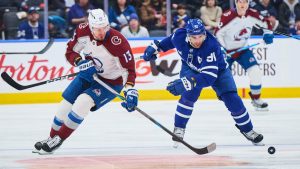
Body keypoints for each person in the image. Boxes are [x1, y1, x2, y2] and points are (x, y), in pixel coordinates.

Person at [141, 18, 264, 148]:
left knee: (232, 99)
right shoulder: (179, 35)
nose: (198, 40)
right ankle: (179, 128)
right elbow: (166, 43)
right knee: (188, 97)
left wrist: (188, 82)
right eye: (194, 37)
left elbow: (208, 77)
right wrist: (154, 48)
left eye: (201, 36)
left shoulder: (211, 45)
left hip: (219, 71)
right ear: (188, 36)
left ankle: (248, 130)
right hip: (190, 68)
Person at [33, 8, 139, 154]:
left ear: (108, 25)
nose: (101, 32)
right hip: (88, 73)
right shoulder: (82, 31)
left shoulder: (118, 42)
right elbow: (70, 51)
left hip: (111, 82)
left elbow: (129, 70)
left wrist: (130, 90)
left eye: (104, 28)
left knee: (83, 101)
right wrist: (79, 62)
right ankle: (51, 137)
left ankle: (59, 140)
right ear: (90, 26)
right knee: (65, 104)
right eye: (97, 29)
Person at [215, 0, 274, 111]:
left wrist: (268, 34)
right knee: (223, 76)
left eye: (245, 2)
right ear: (236, 3)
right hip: (227, 51)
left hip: (243, 50)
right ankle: (224, 94)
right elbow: (218, 33)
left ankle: (256, 99)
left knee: (255, 71)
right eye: (240, 2)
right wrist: (223, 48)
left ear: (248, 3)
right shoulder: (227, 16)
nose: (242, 4)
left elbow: (266, 23)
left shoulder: (253, 14)